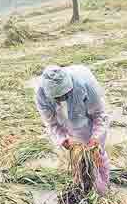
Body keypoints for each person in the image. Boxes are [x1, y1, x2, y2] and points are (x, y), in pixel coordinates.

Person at [35, 64, 110, 195]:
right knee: (78, 157)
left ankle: (103, 189)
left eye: (64, 95)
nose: (61, 99)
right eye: (57, 98)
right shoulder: (41, 93)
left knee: (96, 154)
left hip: (87, 110)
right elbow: (51, 123)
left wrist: (95, 139)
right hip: (64, 120)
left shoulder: (85, 84)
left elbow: (99, 115)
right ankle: (83, 187)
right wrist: (63, 139)